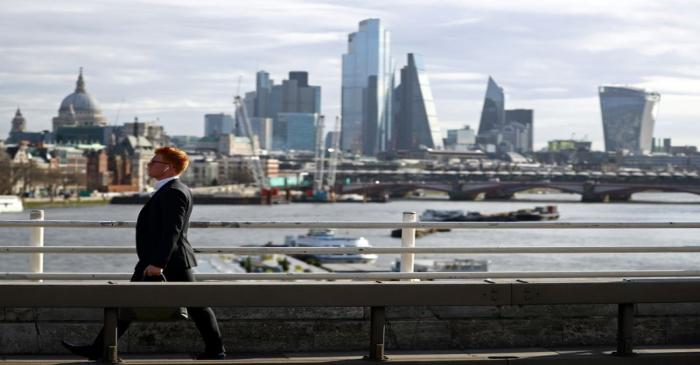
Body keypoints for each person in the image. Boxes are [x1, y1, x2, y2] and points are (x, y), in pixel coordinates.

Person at [62, 146, 226, 360]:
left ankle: (216, 350)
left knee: (196, 306)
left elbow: (171, 231)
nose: (149, 165)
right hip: (164, 259)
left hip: (166, 261)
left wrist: (159, 263)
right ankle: (100, 348)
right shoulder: (172, 189)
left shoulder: (174, 192)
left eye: (153, 162)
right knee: (191, 306)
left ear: (168, 167)